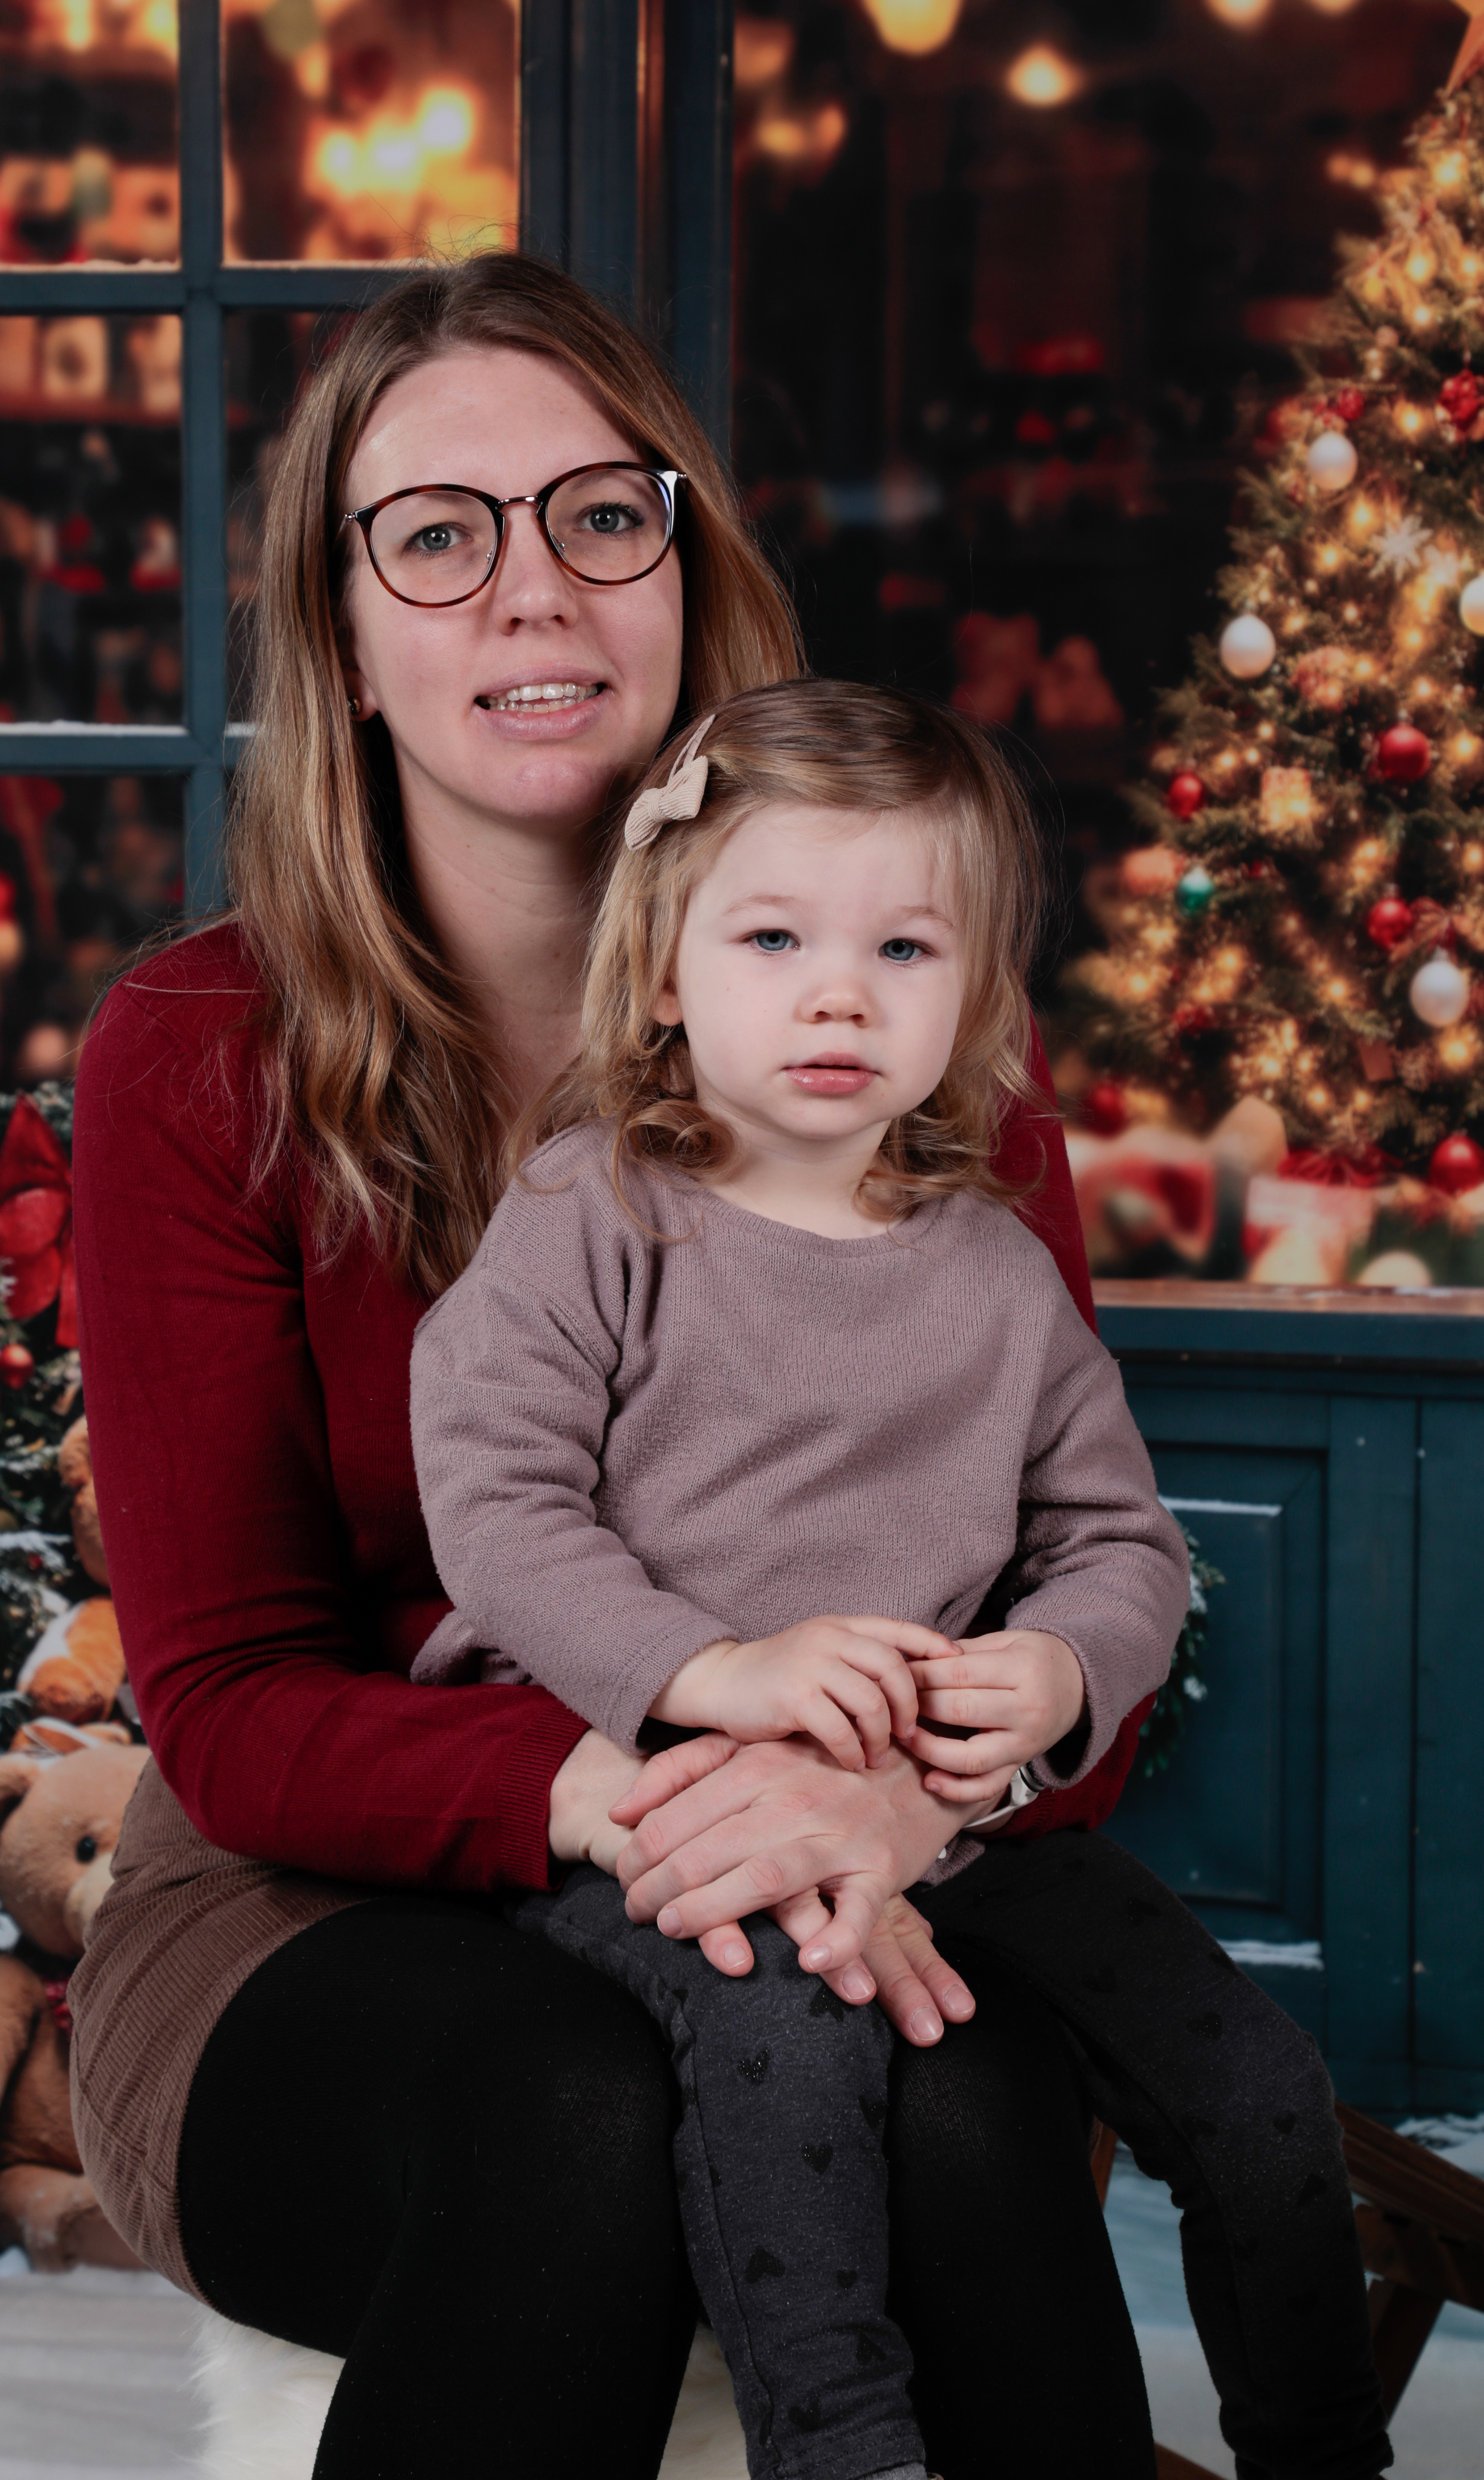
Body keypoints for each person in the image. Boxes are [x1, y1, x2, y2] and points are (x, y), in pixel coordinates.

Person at [71, 254, 1155, 2480]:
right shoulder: (198, 1061)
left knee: (956, 2110)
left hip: (861, 1857)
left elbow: (1082, 1613)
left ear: (689, 569)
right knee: (579, 2104)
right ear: (344, 638)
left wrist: (904, 1792)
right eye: (439, 536)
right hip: (323, 1904)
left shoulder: (926, 1071)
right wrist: (635, 1782)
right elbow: (244, 1701)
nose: (532, 595)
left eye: (601, 514)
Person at [408, 680, 1391, 2480]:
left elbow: (1119, 1543)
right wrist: (711, 1670)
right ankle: (843, 2447)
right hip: (663, 1806)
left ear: (977, 993)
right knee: (792, 2050)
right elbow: (496, 1507)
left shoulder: (996, 1274)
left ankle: (1323, 2450)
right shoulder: (593, 1213)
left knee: (1258, 2092)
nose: (841, 991)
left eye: (905, 945)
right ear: (663, 972)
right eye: (775, 934)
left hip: (954, 1812)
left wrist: (1063, 1672)